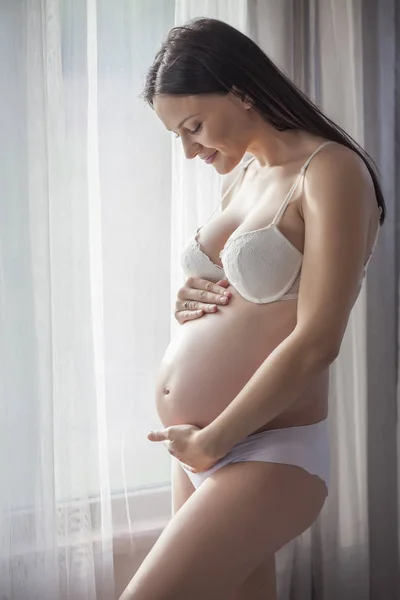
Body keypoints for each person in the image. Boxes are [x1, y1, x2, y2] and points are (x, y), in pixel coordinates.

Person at [119, 17, 384, 600]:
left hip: (265, 450)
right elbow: (249, 300)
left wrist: (214, 440)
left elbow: (317, 340)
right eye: (178, 137)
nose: (189, 150)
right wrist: (191, 298)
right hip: (201, 444)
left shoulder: (329, 171)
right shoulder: (241, 179)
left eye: (194, 127)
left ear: (241, 90)